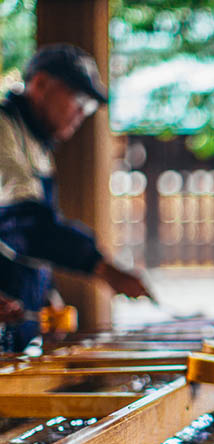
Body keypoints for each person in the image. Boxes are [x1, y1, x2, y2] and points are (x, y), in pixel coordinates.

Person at [0, 43, 152, 351]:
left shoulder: (37, 142)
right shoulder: (3, 130)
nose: (82, 113)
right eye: (79, 99)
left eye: (89, 107)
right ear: (40, 84)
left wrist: (47, 293)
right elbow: (24, 228)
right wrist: (104, 268)